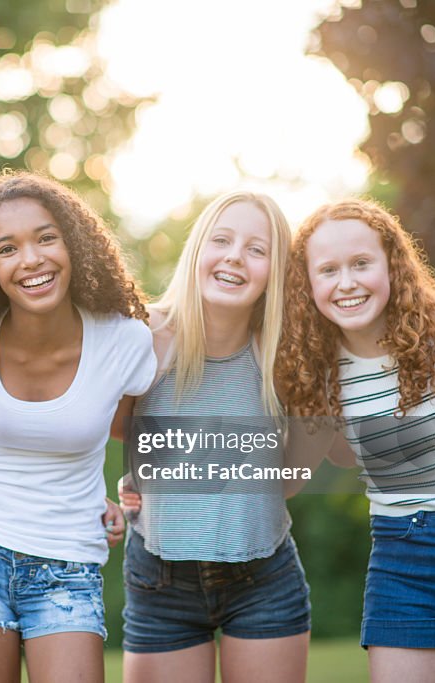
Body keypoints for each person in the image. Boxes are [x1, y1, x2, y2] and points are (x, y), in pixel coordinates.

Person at [277, 198, 435, 683]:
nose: (347, 282)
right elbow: (297, 474)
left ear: (392, 265)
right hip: (405, 556)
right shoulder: (322, 376)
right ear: (306, 285)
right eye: (328, 270)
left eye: (361, 263)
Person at [0, 170, 153, 682]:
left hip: (68, 563)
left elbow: (129, 433)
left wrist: (120, 495)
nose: (31, 259)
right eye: (7, 248)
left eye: (46, 238)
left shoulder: (124, 343)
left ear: (74, 244)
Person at [114, 191, 310, 683]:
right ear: (197, 251)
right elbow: (106, 432)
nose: (234, 257)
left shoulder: (284, 354)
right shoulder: (144, 338)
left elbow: (291, 474)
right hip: (161, 581)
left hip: (265, 576)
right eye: (221, 240)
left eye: (257, 249)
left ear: (275, 272)